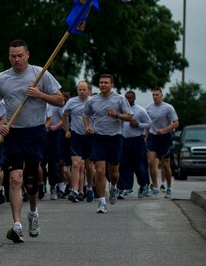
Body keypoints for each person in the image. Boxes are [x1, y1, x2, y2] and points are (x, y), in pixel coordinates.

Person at [0, 39, 64, 243]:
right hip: (13, 133)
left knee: (30, 180)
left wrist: (39, 94)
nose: (16, 59)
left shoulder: (40, 74)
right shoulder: (2, 79)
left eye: (20, 55)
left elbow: (59, 100)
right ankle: (17, 224)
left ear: (27, 55)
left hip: (35, 132)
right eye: (13, 56)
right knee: (14, 178)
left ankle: (33, 213)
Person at [82, 74, 133, 213]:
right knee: (99, 170)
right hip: (99, 138)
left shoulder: (119, 99)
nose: (103, 84)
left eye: (106, 82)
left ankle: (114, 186)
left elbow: (130, 117)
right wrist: (87, 126)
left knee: (114, 173)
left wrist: (117, 115)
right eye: (101, 82)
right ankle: (102, 202)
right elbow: (86, 115)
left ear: (112, 85)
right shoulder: (92, 100)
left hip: (115, 138)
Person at [63, 81, 94, 202]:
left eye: (84, 89)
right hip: (76, 135)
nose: (81, 92)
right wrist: (66, 130)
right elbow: (65, 115)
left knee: (89, 165)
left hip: (90, 135)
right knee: (75, 163)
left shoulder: (93, 101)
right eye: (79, 90)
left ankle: (90, 187)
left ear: (88, 90)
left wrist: (95, 128)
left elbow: (98, 116)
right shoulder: (71, 102)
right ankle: (74, 190)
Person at [145, 88, 179, 198]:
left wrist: (163, 130)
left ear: (161, 95)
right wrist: (146, 137)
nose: (155, 96)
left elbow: (176, 123)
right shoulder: (148, 108)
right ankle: (155, 187)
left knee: (165, 164)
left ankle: (169, 187)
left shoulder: (168, 107)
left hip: (165, 137)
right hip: (153, 137)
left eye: (157, 94)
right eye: (153, 95)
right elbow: (148, 124)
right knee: (151, 162)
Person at [121, 91, 152, 198]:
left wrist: (138, 124)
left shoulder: (140, 110)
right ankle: (127, 187)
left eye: (129, 98)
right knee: (125, 165)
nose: (127, 100)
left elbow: (149, 123)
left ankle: (144, 185)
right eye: (126, 98)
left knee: (139, 165)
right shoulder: (121, 110)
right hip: (124, 140)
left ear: (134, 99)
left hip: (137, 140)